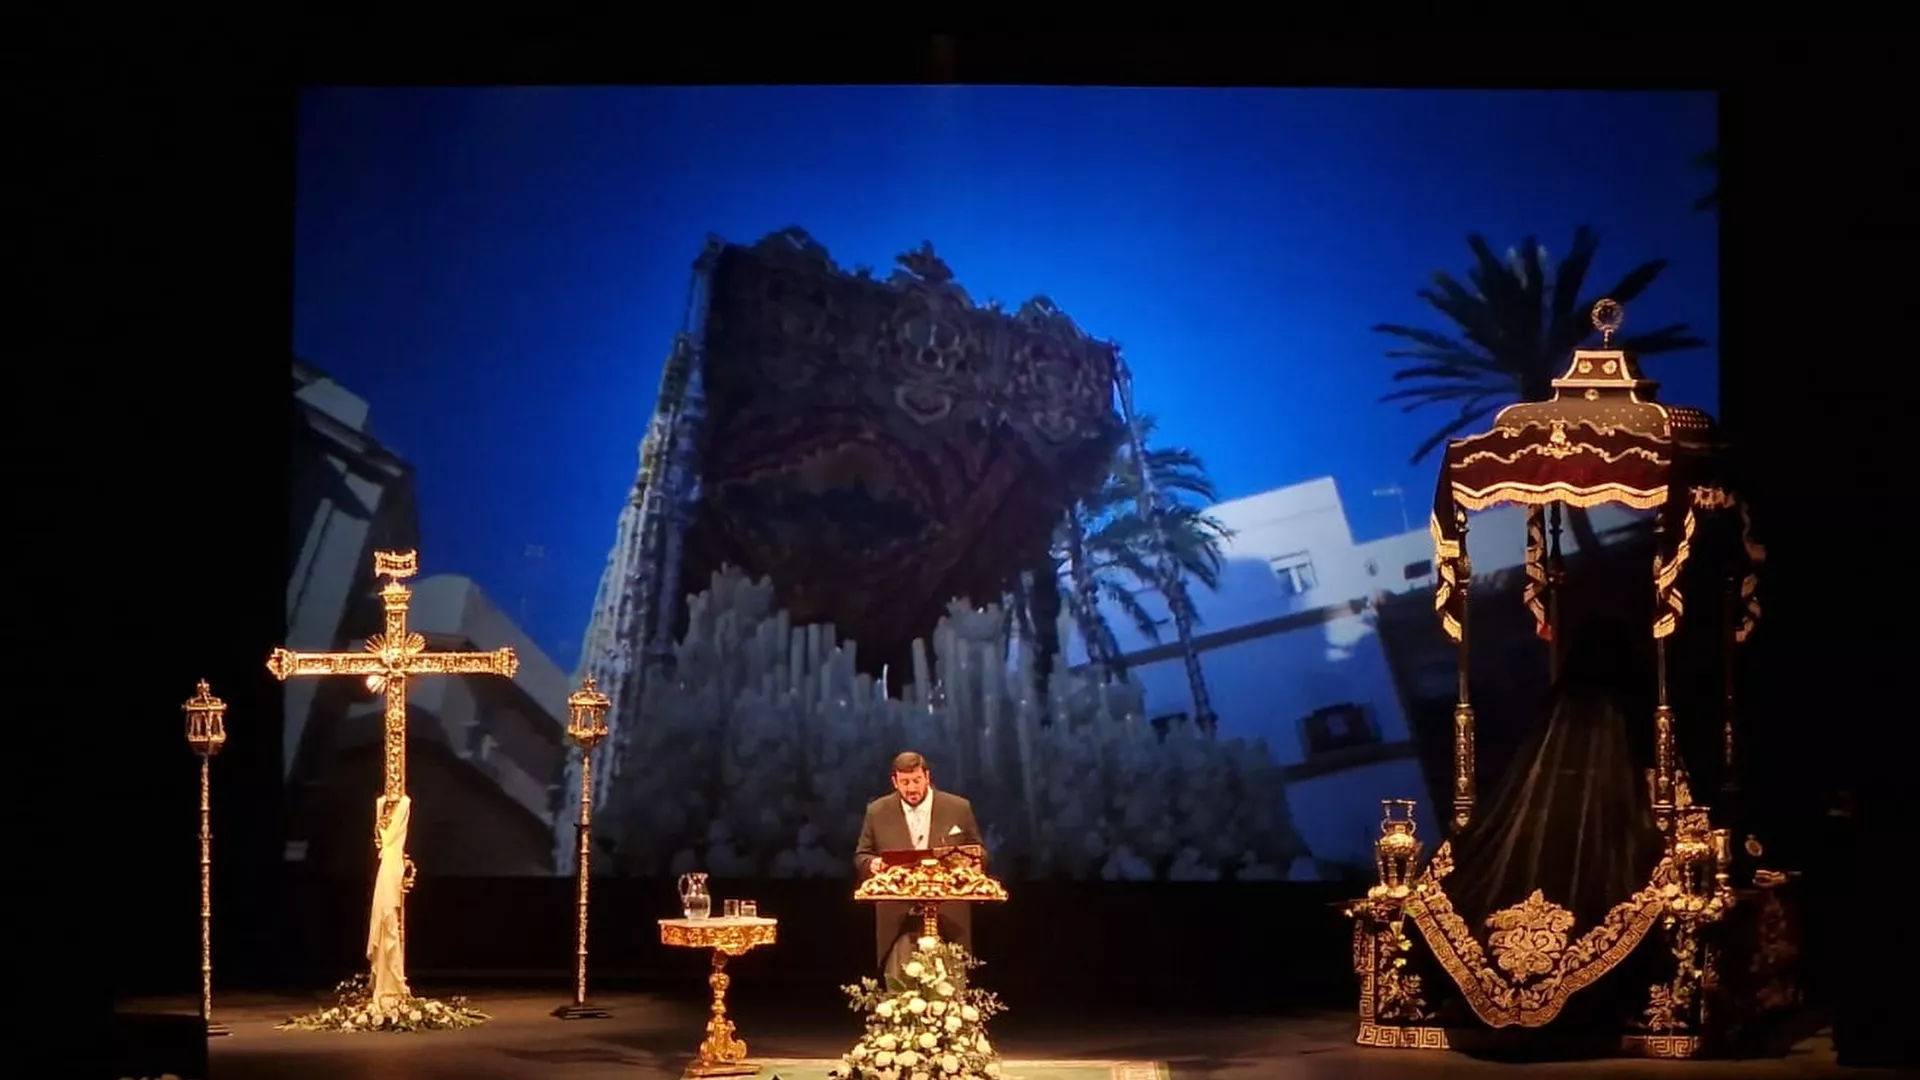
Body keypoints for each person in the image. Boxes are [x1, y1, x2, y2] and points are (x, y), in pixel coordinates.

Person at [853, 751, 987, 982]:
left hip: (949, 912)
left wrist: (973, 863)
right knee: (900, 985)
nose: (912, 788)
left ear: (927, 776)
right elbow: (862, 855)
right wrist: (874, 864)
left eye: (916, 780)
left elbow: (979, 852)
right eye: (904, 782)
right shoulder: (877, 811)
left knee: (952, 982)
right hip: (897, 913)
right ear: (894, 782)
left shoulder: (958, 807)